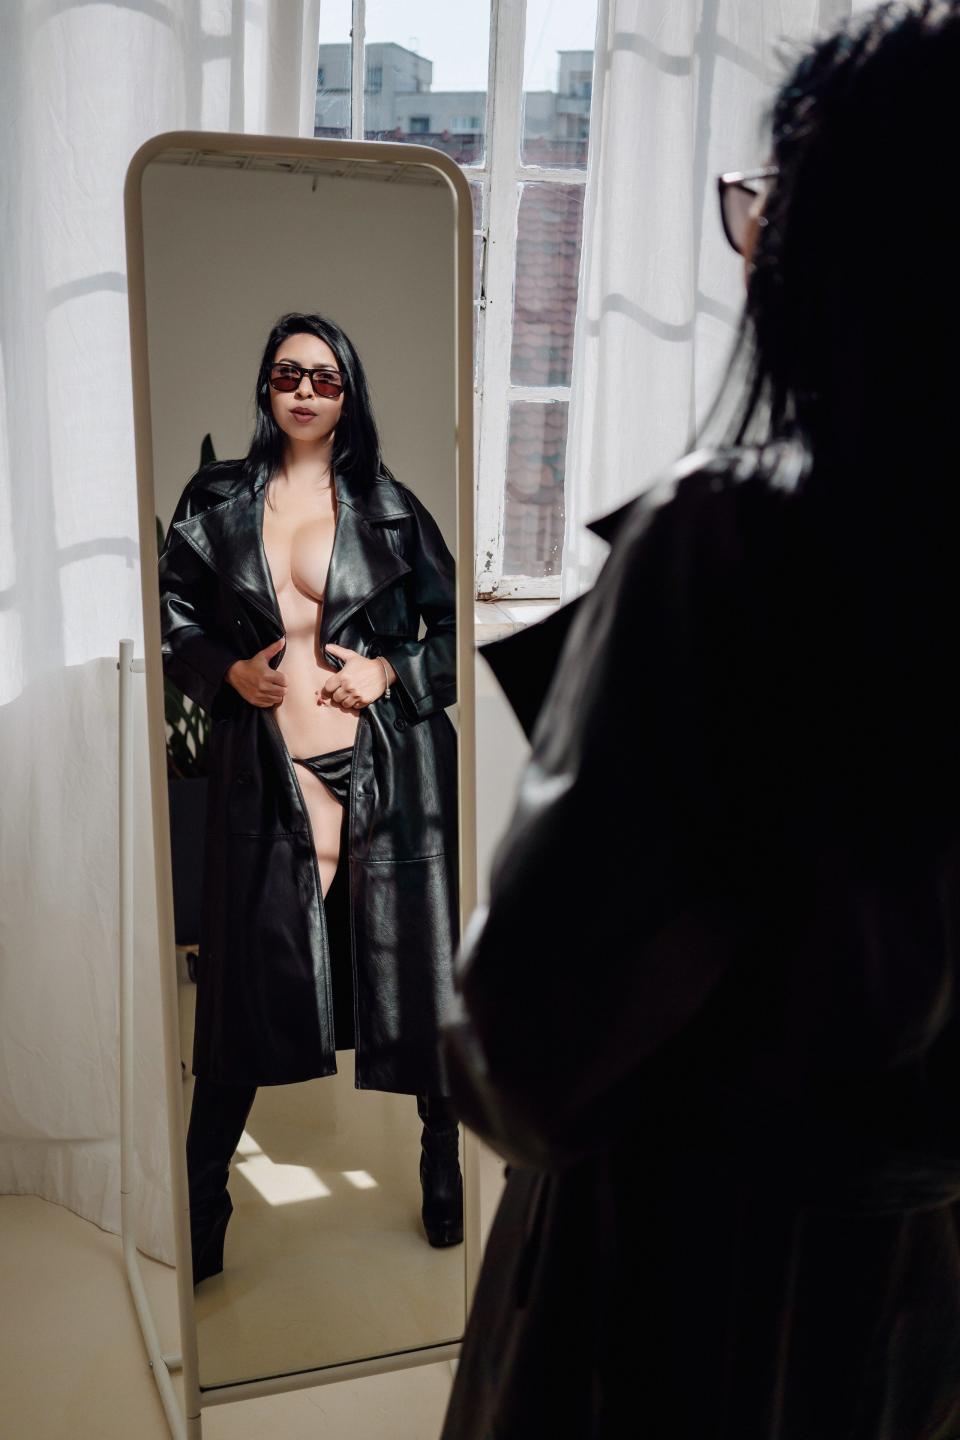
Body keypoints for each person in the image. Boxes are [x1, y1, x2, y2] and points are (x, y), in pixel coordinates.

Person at [440, 5, 960, 1437]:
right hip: (915, 1300)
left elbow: (520, 1054)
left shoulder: (733, 546)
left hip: (679, 1288)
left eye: (770, 208)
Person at [158, 312, 463, 1285]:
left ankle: (443, 1161)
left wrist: (388, 672)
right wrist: (225, 669)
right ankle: (204, 1203)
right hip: (268, 768)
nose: (304, 390)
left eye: (324, 378)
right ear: (267, 385)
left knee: (417, 977)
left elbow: (454, 631)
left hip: (384, 766)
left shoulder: (392, 508)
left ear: (347, 394)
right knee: (240, 995)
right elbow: (172, 615)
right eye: (288, 373)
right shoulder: (216, 499)